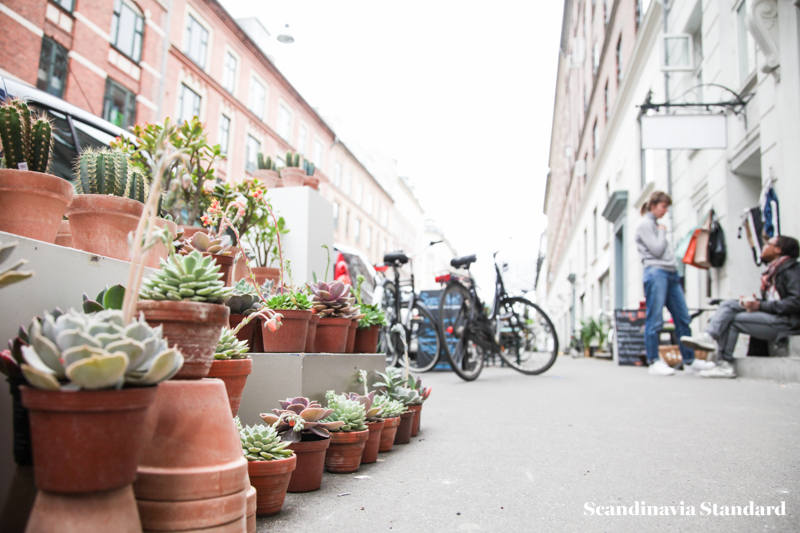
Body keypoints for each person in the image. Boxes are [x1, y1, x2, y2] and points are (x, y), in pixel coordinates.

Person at [681, 235, 800, 378]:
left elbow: (796, 302)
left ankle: (724, 363)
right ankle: (708, 336)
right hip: (775, 317)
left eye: (768, 243)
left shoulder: (792, 270)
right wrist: (754, 303)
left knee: (734, 319)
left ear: (778, 249)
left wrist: (760, 306)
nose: (763, 246)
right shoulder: (773, 272)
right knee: (730, 304)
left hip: (787, 323)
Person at [635, 191, 716, 376]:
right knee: (655, 318)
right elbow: (656, 249)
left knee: (682, 317)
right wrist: (662, 232)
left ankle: (689, 361)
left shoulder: (654, 224)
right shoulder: (645, 225)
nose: (665, 211)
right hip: (656, 273)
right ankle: (654, 361)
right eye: (663, 206)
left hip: (670, 274)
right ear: (653, 205)